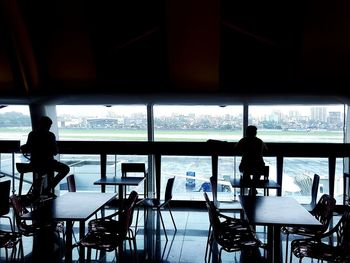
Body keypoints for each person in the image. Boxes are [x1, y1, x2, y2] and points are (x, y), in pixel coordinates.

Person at [20, 116, 70, 196]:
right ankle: (48, 189)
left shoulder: (32, 134)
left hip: (35, 163)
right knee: (65, 169)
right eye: (49, 125)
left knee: (43, 171)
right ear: (47, 125)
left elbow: (27, 147)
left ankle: (39, 191)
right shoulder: (50, 135)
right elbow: (55, 152)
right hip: (48, 162)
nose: (49, 127)